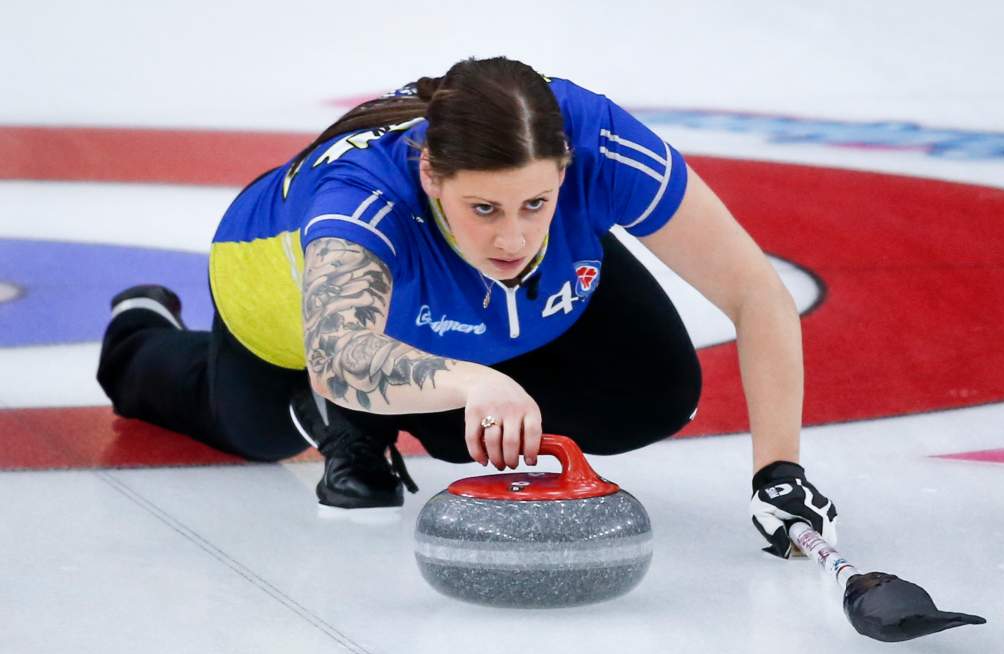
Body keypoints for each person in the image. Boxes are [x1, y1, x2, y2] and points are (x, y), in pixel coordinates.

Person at [97, 56, 837, 558]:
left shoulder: (601, 143)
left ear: (567, 170)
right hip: (283, 302)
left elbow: (754, 290)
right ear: (430, 173)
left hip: (459, 307)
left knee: (655, 394)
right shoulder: (362, 200)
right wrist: (477, 382)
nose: (513, 236)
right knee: (256, 429)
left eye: (536, 203)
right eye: (483, 206)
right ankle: (140, 332)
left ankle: (409, 405)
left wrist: (779, 471)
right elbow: (335, 354)